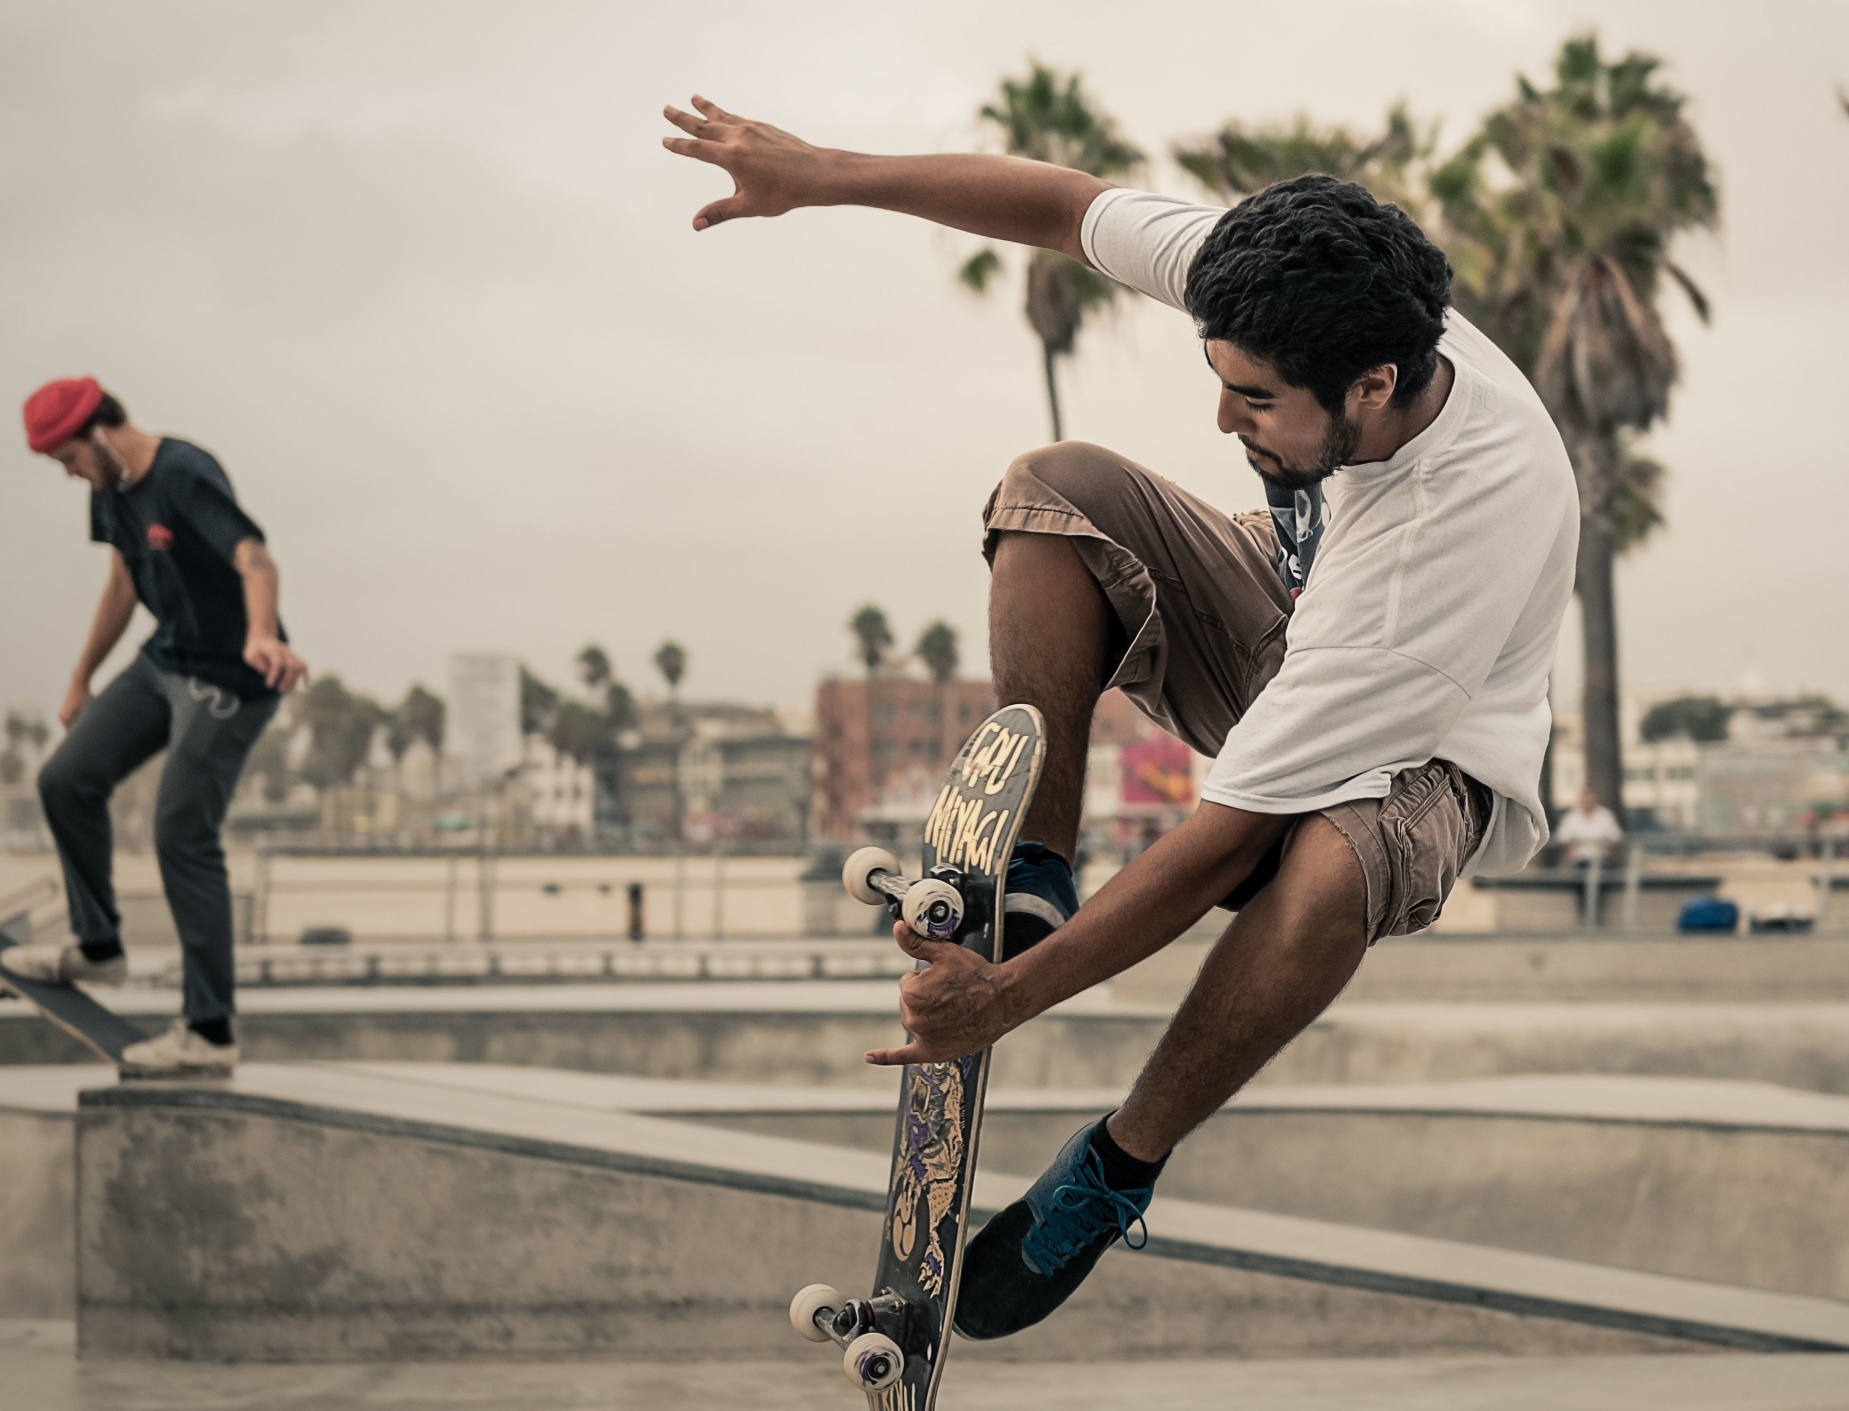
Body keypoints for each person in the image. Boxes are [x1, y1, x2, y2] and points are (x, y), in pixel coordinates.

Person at [661, 97, 1577, 1338]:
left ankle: (1115, 1166)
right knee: (1055, 491)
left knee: (1322, 867)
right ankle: (1036, 865)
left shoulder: (1441, 547)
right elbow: (1057, 203)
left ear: (1373, 385)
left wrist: (1011, 999)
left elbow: (1231, 839)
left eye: (1254, 401)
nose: (1220, 420)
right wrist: (819, 174)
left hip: (1431, 759)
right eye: (1220, 380)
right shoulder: (1292, 286)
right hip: (1293, 613)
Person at [9, 378, 307, 1075]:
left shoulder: (183, 475)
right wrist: (82, 675)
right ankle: (98, 947)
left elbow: (255, 557)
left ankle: (208, 1030)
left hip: (229, 678)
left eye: (70, 459)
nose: (71, 474)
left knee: (181, 830)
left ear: (102, 433)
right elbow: (122, 581)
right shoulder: (109, 489)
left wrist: (262, 634)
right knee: (65, 779)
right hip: (163, 660)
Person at [1554, 788, 1623, 869]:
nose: (1587, 803)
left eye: (1590, 801)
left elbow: (1616, 836)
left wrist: (1608, 849)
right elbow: (1561, 837)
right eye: (1585, 801)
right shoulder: (1571, 817)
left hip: (1602, 859)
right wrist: (1570, 849)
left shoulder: (1606, 816)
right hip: (1578, 859)